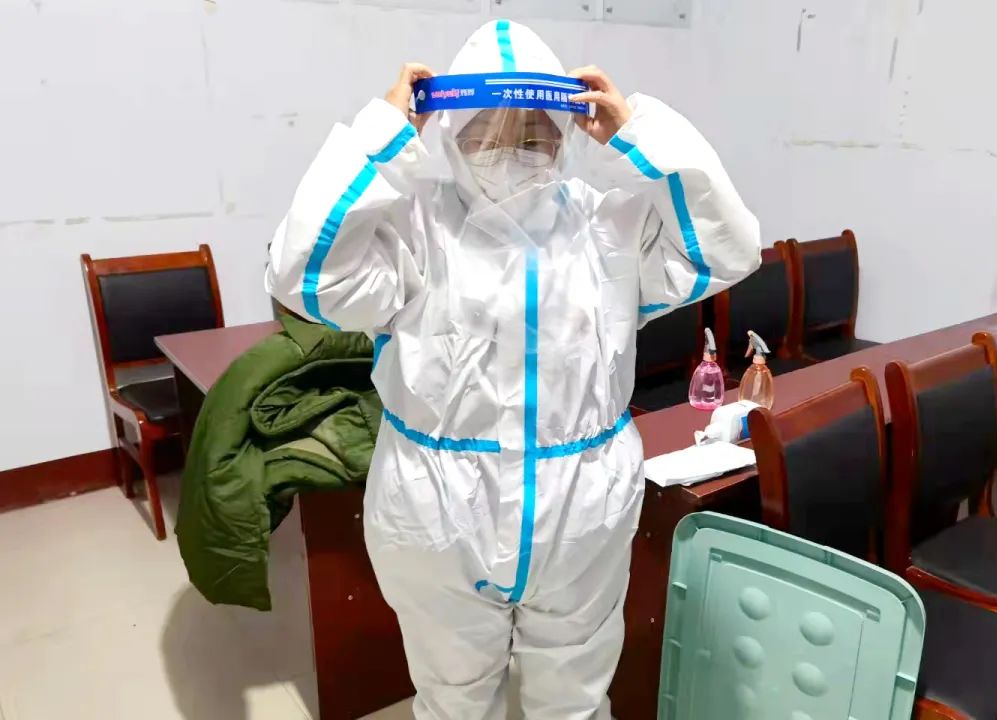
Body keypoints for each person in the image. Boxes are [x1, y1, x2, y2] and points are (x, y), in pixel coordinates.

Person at [267, 19, 760, 720]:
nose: (510, 149)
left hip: (581, 508)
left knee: (574, 700)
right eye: (486, 131)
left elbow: (728, 248)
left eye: (533, 131)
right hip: (437, 509)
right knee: (454, 700)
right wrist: (383, 135)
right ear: (450, 130)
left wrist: (638, 136)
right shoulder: (414, 227)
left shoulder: (605, 228)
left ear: (564, 130)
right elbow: (304, 273)